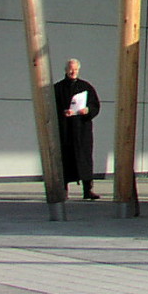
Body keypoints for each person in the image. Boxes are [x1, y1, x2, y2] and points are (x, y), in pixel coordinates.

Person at [54, 58, 101, 200]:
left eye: (75, 69)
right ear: (65, 70)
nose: (73, 71)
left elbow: (95, 106)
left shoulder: (86, 87)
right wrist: (63, 112)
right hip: (65, 130)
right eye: (70, 69)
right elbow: (51, 108)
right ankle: (63, 191)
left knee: (85, 158)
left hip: (82, 130)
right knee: (65, 159)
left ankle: (88, 190)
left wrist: (87, 110)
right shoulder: (58, 88)